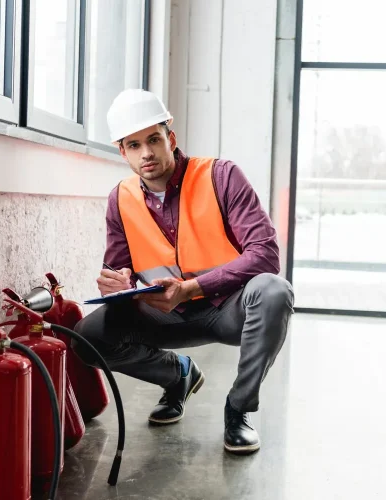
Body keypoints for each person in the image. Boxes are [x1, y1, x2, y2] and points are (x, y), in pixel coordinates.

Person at [73, 89, 294, 455]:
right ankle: (178, 376)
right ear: (122, 152)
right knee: (87, 336)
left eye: (154, 140)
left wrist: (191, 288)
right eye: (133, 145)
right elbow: (119, 267)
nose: (146, 153)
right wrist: (116, 284)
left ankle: (238, 410)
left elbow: (266, 254)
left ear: (170, 139)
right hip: (166, 316)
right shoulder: (120, 199)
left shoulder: (221, 176)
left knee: (274, 291)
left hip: (230, 311)